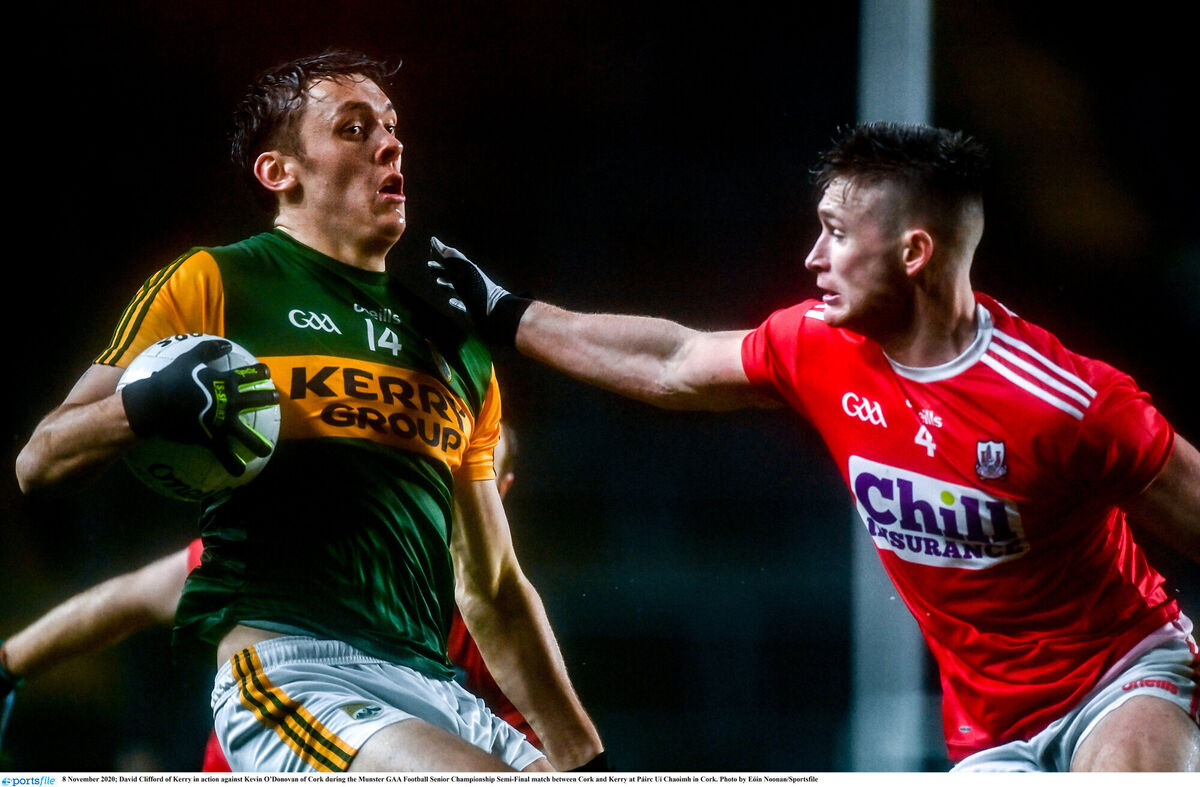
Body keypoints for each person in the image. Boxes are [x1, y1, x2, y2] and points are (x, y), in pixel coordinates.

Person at [428, 121, 1200, 772]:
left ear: (914, 253)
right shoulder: (818, 347)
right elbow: (671, 362)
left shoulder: (1071, 404)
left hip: (1121, 677)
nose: (812, 257)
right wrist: (504, 311)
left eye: (834, 233)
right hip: (991, 731)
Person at [14, 50, 603, 772]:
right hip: (295, 673)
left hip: (435, 691)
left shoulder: (457, 347)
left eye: (392, 128)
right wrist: (146, 404)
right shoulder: (217, 280)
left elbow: (494, 590)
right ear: (279, 171)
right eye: (355, 129)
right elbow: (38, 461)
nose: (390, 143)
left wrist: (584, 762)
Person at [2, 426, 538, 770]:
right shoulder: (297, 557)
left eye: (470, 473)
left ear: (501, 492)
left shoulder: (497, 621)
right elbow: (131, 598)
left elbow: (535, 744)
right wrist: (7, 666)